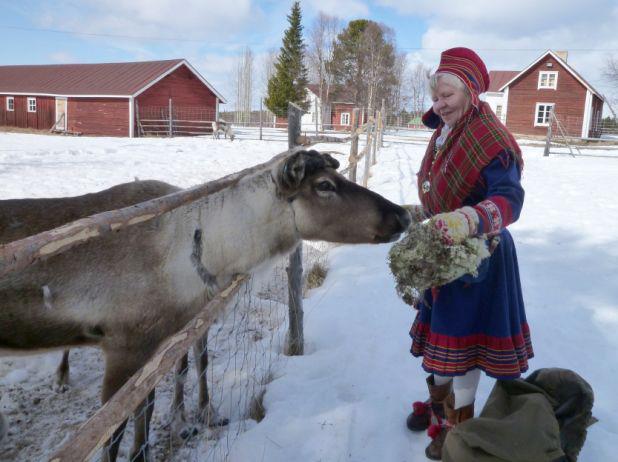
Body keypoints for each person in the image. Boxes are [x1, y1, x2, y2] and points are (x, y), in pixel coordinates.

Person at [403, 47, 533, 460]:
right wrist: (417, 216)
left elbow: (510, 199)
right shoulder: (444, 134)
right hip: (443, 251)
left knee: (465, 347)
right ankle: (440, 414)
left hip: (481, 256)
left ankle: (458, 429)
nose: (439, 105)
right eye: (436, 97)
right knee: (441, 343)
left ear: (471, 93)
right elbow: (438, 193)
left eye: (448, 96)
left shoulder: (490, 140)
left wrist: (467, 220)